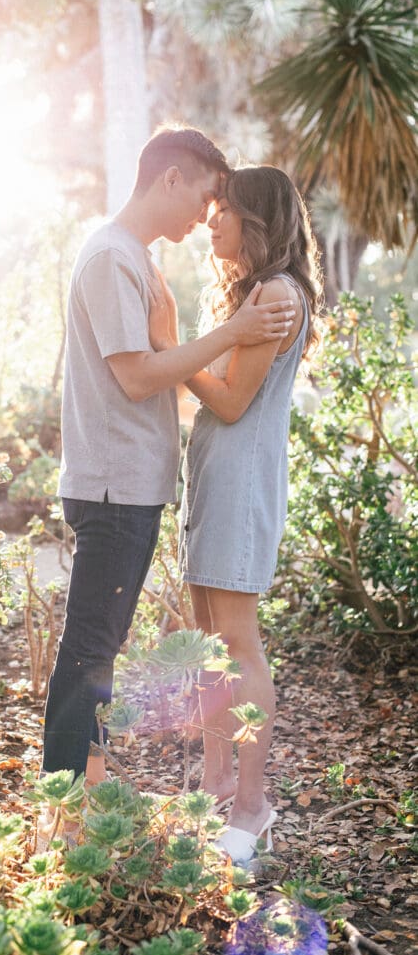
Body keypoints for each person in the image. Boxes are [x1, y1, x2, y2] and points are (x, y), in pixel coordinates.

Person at [39, 128, 297, 839]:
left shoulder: (134, 259)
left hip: (136, 487)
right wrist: (221, 332)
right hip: (114, 488)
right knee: (90, 651)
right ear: (173, 178)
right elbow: (136, 374)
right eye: (206, 197)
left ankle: (84, 803)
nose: (207, 217)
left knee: (99, 649)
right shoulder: (113, 257)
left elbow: (188, 380)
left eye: (225, 206)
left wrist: (189, 337)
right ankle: (66, 811)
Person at [149, 164, 324, 864]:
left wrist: (170, 350)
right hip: (220, 482)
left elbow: (226, 403)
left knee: (238, 645)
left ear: (256, 220)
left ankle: (251, 806)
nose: (210, 220)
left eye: (223, 209)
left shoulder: (274, 295)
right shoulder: (256, 296)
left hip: (241, 485)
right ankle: (218, 785)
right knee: (210, 641)